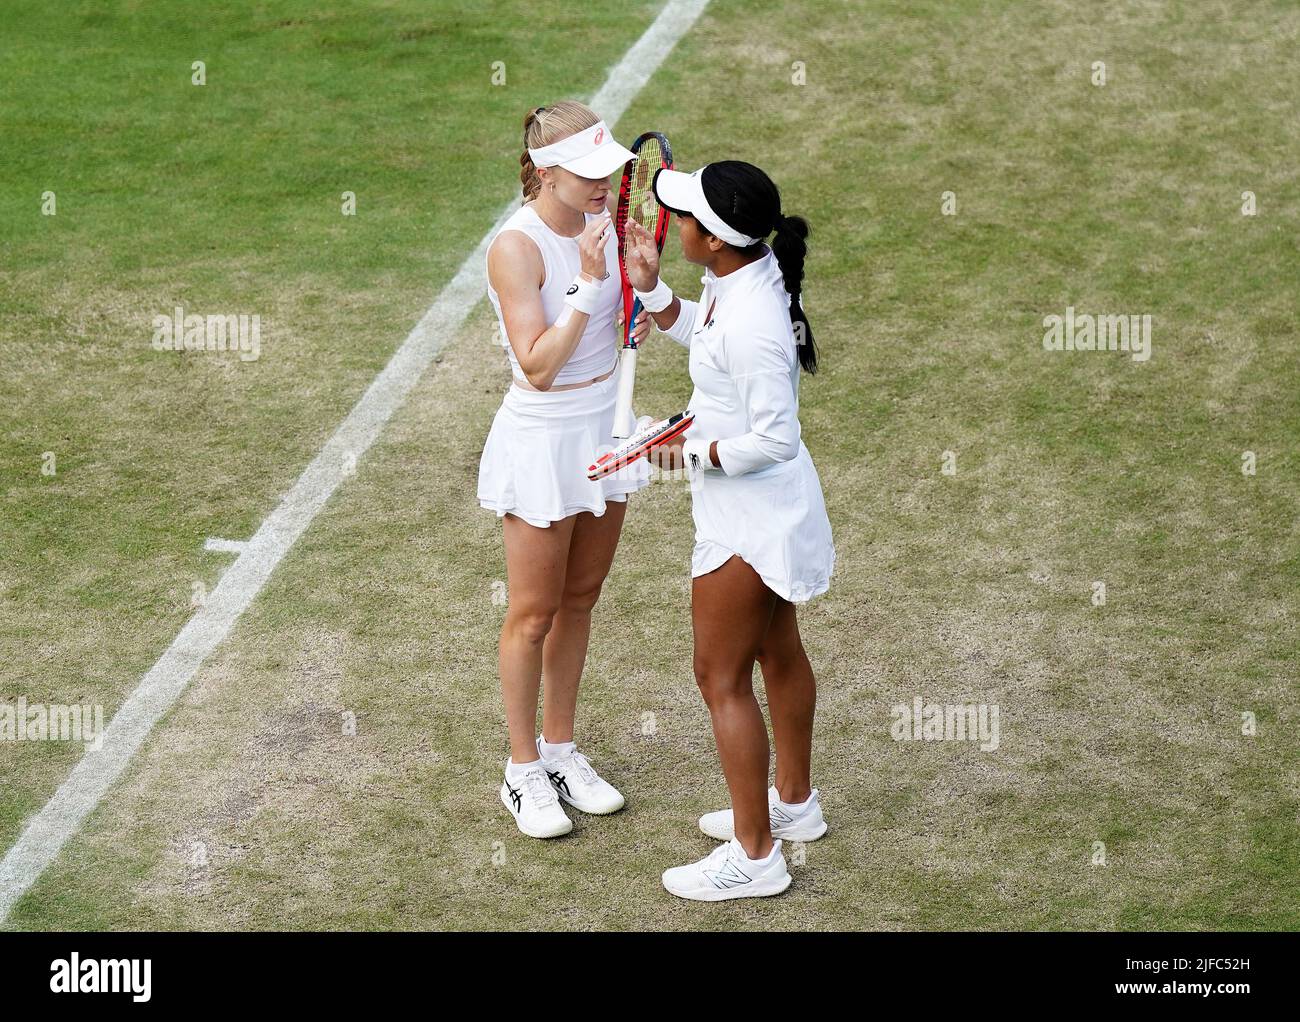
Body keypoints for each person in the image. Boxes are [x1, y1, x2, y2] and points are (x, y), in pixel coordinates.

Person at [624, 161, 835, 899]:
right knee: (777, 653)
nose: (673, 225)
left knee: (719, 677)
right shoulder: (741, 277)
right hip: (759, 509)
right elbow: (703, 335)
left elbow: (774, 438)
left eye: (684, 219)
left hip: (751, 518)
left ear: (715, 239)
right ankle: (794, 807)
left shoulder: (755, 324)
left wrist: (686, 452)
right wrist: (652, 290)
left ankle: (756, 856)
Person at [478, 102, 651, 838]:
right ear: (545, 173)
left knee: (580, 598)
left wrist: (638, 297)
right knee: (533, 613)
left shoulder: (607, 226)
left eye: (608, 173)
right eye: (588, 176)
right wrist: (587, 284)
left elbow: (613, 331)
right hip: (545, 436)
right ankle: (521, 772)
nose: (605, 187)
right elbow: (540, 367)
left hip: (605, 426)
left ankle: (559, 751)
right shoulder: (514, 249)